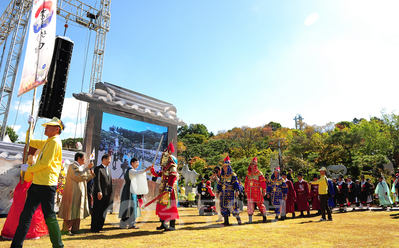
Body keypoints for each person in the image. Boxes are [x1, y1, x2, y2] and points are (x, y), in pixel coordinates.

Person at [11, 117, 64, 248]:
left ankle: (58, 246)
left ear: (56, 129)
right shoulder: (48, 142)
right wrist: (31, 127)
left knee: (50, 217)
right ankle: (16, 245)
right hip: (37, 183)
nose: (45, 128)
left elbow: (45, 163)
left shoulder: (55, 142)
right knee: (26, 215)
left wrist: (29, 168)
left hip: (46, 185)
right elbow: (29, 142)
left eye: (48, 126)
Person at [1, 149, 49, 240]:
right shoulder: (30, 167)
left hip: (28, 187)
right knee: (23, 209)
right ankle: (25, 232)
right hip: (26, 189)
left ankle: (32, 231)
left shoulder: (33, 166)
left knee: (31, 210)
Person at [58, 152, 94, 234]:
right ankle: (67, 229)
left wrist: (90, 175)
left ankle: (75, 229)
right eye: (84, 158)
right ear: (79, 158)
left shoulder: (80, 167)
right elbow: (79, 177)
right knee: (71, 211)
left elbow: (84, 179)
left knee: (78, 211)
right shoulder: (73, 166)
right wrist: (87, 169)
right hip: (73, 192)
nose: (85, 160)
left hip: (79, 193)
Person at [150, 142, 179, 231]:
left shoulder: (172, 165)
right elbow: (160, 174)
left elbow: (173, 176)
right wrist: (153, 172)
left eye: (164, 157)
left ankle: (172, 225)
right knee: (162, 205)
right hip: (163, 187)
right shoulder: (164, 167)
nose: (163, 159)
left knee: (170, 206)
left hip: (169, 189)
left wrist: (169, 188)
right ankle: (163, 223)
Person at [119, 158, 151, 229]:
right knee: (131, 206)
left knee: (128, 206)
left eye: (138, 162)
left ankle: (125, 224)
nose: (138, 164)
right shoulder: (130, 170)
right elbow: (137, 173)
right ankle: (130, 224)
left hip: (130, 189)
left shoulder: (131, 170)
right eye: (136, 162)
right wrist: (145, 170)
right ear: (132, 163)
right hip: (129, 190)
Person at [91, 154, 113, 233]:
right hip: (100, 194)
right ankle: (94, 227)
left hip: (107, 194)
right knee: (97, 210)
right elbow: (97, 181)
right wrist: (99, 191)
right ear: (104, 159)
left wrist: (111, 192)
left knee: (104, 211)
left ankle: (100, 226)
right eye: (109, 159)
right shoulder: (98, 168)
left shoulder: (109, 170)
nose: (110, 161)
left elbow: (110, 182)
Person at [217, 156, 242, 226]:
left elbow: (236, 184)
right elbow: (219, 184)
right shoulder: (222, 176)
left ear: (228, 167)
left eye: (225, 166)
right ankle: (226, 222)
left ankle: (238, 220)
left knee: (233, 207)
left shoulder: (233, 175)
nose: (224, 168)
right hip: (223, 194)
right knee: (224, 208)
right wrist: (218, 191)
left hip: (230, 194)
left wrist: (237, 191)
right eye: (223, 166)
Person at [244, 157, 267, 223]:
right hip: (249, 192)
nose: (251, 166)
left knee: (260, 204)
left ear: (255, 165)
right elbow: (246, 183)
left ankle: (264, 217)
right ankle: (250, 220)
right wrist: (245, 190)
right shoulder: (248, 174)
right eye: (251, 164)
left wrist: (264, 191)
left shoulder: (259, 173)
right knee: (250, 205)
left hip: (257, 191)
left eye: (253, 164)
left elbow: (263, 183)